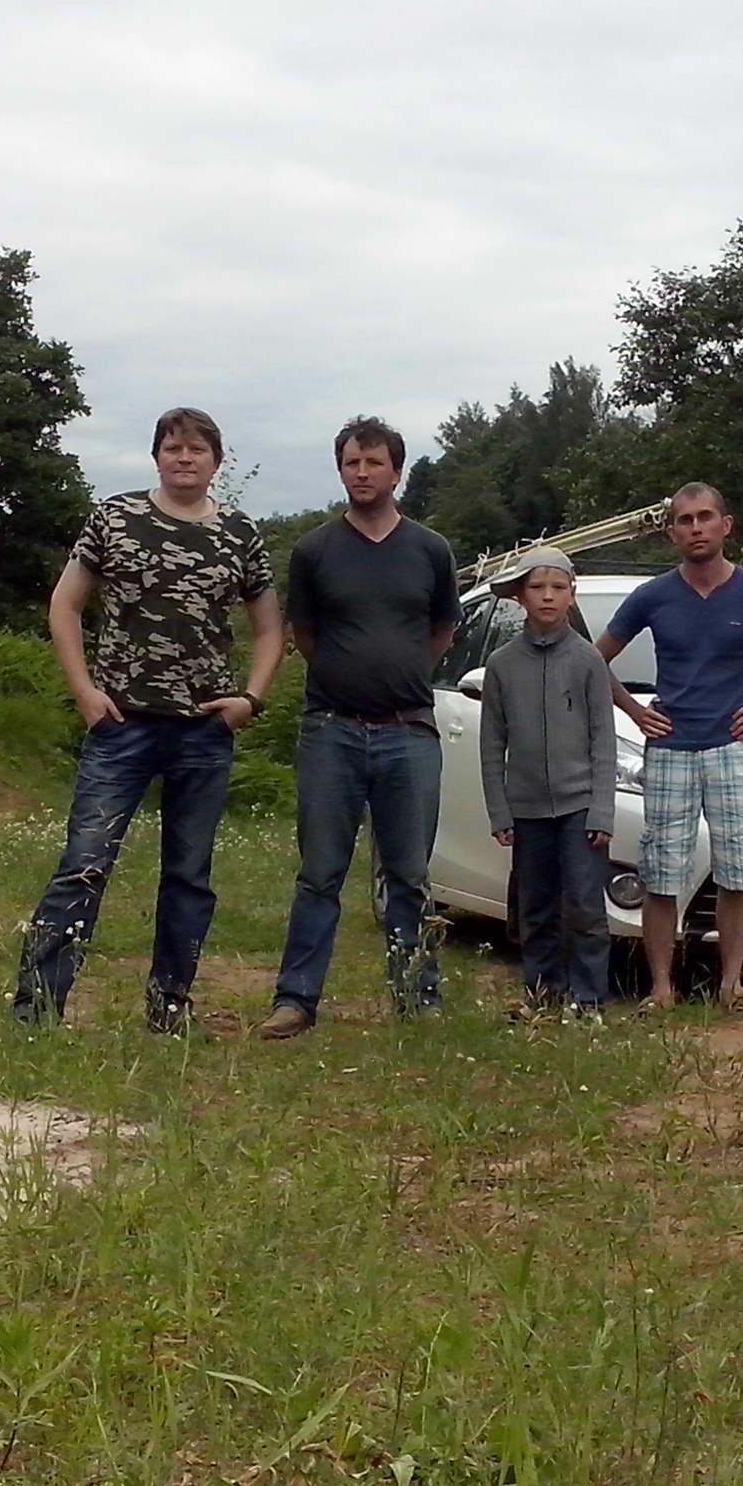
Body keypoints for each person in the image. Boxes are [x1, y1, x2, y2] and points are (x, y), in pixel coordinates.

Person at [12, 408, 282, 1035]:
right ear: (156, 456)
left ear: (216, 461)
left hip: (203, 731)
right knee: (84, 864)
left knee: (189, 876)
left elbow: (271, 629)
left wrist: (250, 699)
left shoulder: (239, 533)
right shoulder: (115, 518)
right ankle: (36, 1010)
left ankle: (170, 1006)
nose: (184, 458)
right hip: (121, 726)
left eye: (197, 449)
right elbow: (64, 605)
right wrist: (84, 691)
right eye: (172, 447)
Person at [597, 483, 743, 1018]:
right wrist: (634, 712)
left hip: (733, 748)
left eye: (705, 517)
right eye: (685, 520)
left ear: (726, 526)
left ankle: (732, 986)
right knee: (662, 872)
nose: (696, 528)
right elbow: (595, 659)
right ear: (671, 533)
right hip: (670, 749)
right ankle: (661, 990)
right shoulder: (652, 596)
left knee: (738, 871)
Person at [257, 417, 459, 1039]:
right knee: (320, 872)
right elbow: (305, 635)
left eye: (374, 463)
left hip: (409, 732)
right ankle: (296, 1000)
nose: (362, 473)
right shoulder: (314, 551)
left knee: (409, 874)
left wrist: (398, 675)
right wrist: (350, 677)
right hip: (332, 732)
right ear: (340, 469)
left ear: (396, 472)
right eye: (352, 462)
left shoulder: (431, 550)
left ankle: (417, 996)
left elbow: (442, 631)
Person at [479, 547, 617, 1023]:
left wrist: (602, 810)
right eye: (537, 588)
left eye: (558, 588)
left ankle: (589, 999)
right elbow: (491, 743)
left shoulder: (588, 659)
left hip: (580, 805)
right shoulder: (501, 664)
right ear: (520, 596)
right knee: (534, 906)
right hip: (527, 809)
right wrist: (499, 810)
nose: (547, 597)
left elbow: (604, 740)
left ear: (571, 595)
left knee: (584, 905)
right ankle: (542, 992)